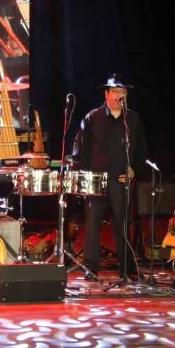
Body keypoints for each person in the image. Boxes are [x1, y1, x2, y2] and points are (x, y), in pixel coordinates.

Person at [72, 75, 147, 281]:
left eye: (122, 92)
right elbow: (80, 151)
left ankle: (126, 268)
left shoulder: (132, 119)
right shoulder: (92, 117)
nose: (118, 96)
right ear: (106, 94)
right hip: (97, 178)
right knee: (93, 222)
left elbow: (141, 151)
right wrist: (84, 178)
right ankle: (91, 267)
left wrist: (134, 170)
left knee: (122, 224)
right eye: (114, 92)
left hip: (121, 179)